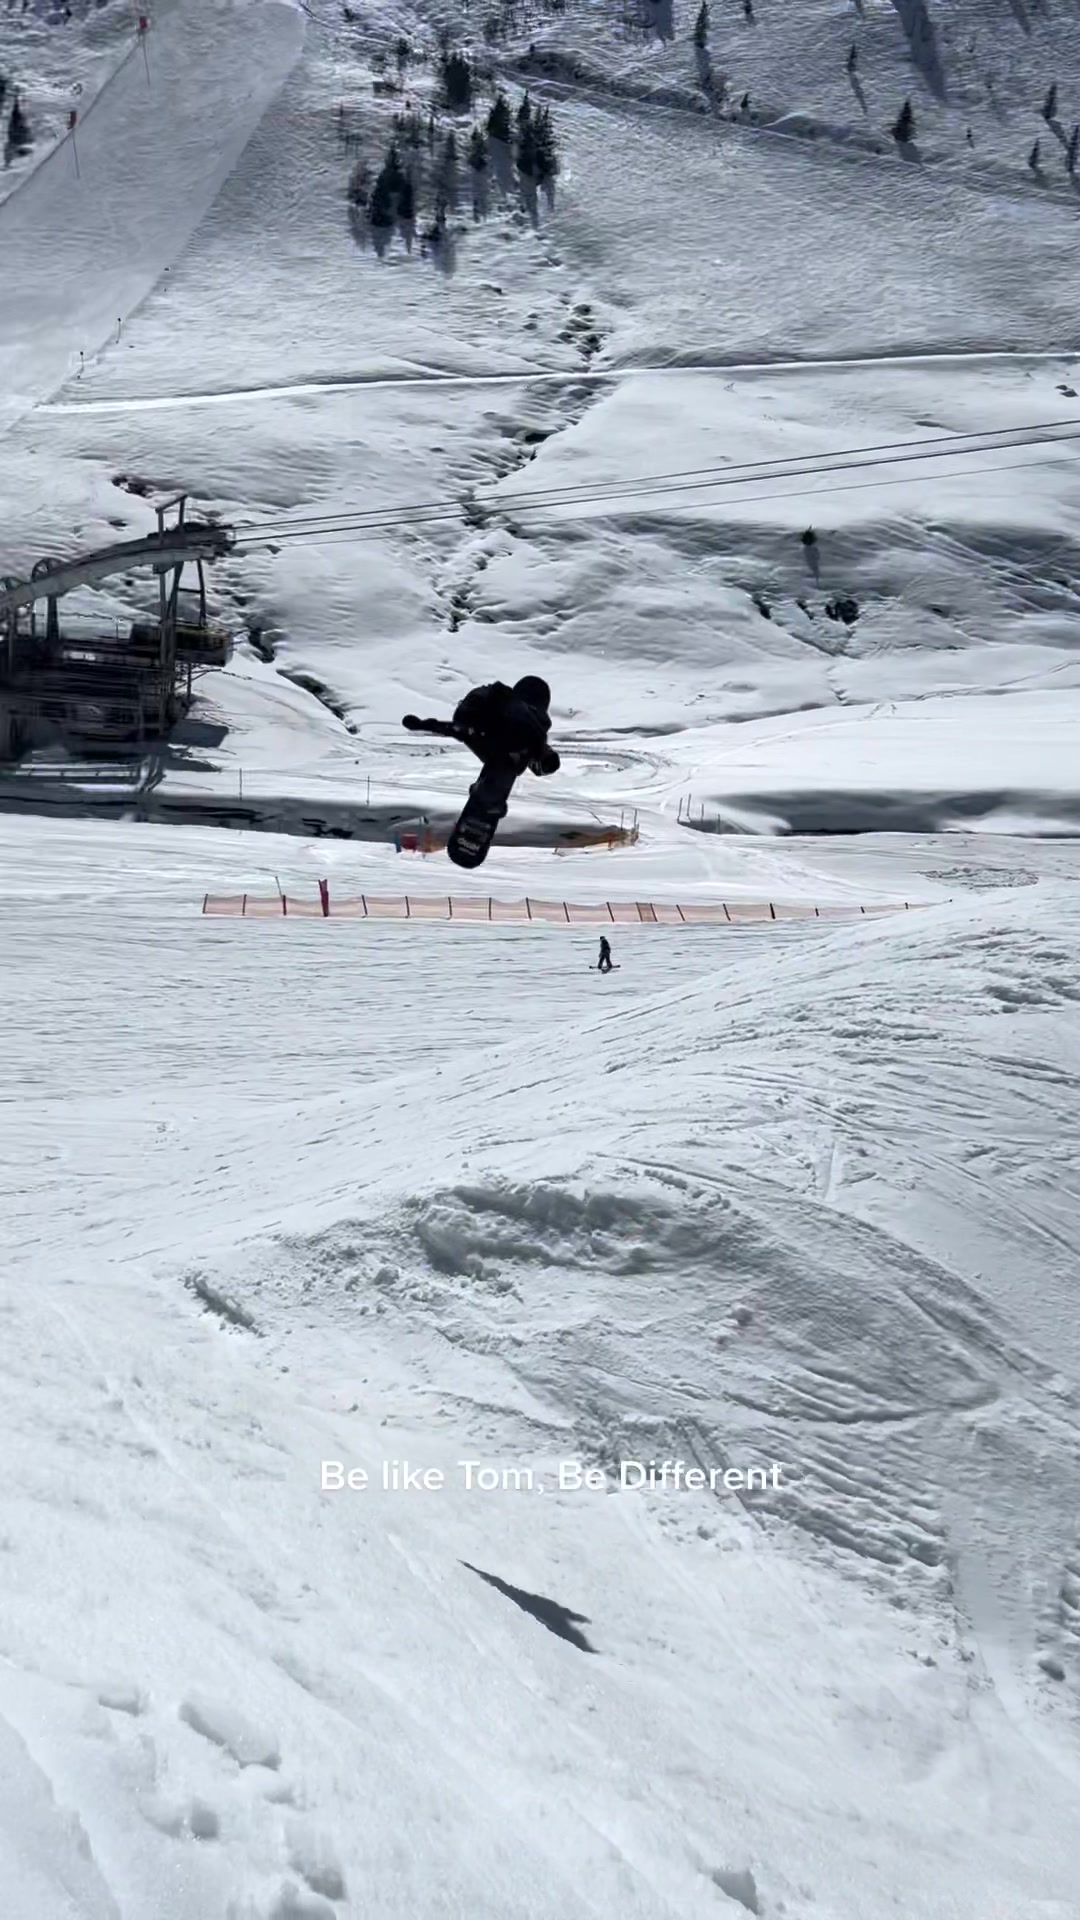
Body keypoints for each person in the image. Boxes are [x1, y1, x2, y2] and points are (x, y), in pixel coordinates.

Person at [403, 676, 560, 777]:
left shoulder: (527, 731)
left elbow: (458, 731)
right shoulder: (532, 734)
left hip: (478, 717)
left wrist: (425, 725)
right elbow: (459, 731)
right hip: (481, 718)